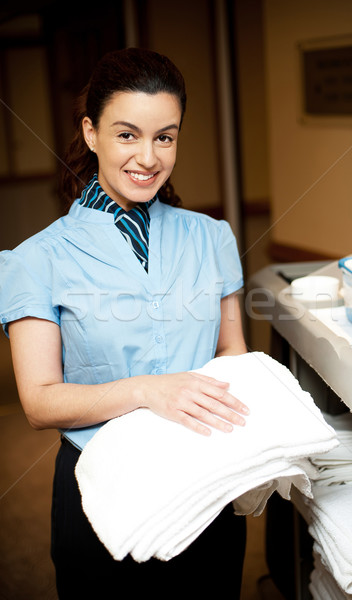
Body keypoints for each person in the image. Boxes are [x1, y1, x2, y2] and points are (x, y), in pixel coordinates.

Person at [0, 47, 249, 598]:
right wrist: (147, 392)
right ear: (91, 134)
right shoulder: (36, 259)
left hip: (206, 484)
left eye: (166, 136)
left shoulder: (212, 238)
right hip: (101, 491)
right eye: (127, 134)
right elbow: (39, 401)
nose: (149, 156)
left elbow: (234, 351)